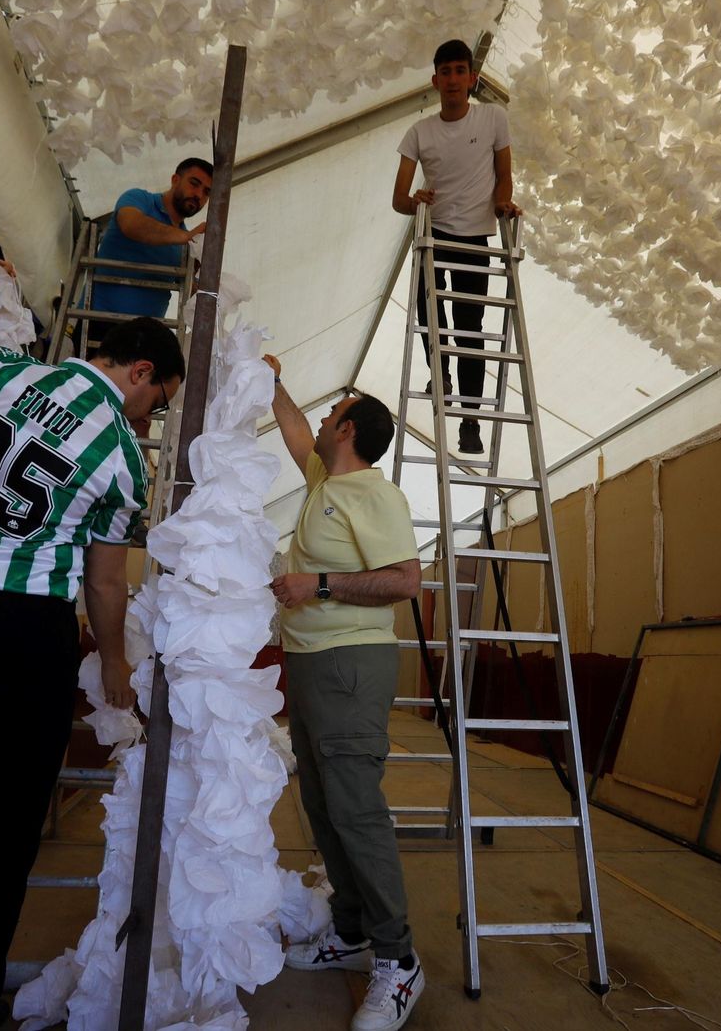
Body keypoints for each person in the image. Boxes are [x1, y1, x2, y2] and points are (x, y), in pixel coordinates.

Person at [0, 257, 184, 1031]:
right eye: (158, 400)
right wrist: (117, 662)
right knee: (3, 821)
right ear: (141, 371)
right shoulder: (122, 457)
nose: (151, 419)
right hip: (23, 633)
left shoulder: (6, 375)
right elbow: (107, 584)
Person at [265, 354, 427, 1031]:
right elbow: (297, 433)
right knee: (322, 805)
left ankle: (399, 962)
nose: (324, 418)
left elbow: (405, 580)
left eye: (335, 412)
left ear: (352, 430)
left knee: (356, 807)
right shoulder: (322, 479)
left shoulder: (373, 495)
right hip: (307, 661)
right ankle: (351, 931)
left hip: (350, 662)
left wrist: (319, 586)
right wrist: (268, 379)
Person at [391, 39, 521, 456]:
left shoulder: (493, 118)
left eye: (459, 71)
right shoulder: (419, 132)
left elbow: (504, 174)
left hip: (475, 237)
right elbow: (399, 200)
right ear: (435, 80)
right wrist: (417, 201)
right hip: (434, 234)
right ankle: (439, 375)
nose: (452, 80)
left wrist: (503, 203)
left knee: (470, 330)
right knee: (428, 311)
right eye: (444, 72)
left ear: (472, 78)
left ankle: (470, 419)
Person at [87, 157, 214, 341]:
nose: (199, 195)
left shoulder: (186, 246)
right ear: (175, 179)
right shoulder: (139, 199)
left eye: (206, 192)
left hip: (142, 339)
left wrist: (207, 264)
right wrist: (185, 238)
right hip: (95, 322)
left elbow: (193, 293)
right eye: (194, 184)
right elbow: (130, 224)